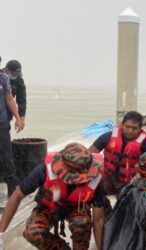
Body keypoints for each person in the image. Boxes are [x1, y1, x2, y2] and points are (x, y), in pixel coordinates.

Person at [0, 142, 106, 250]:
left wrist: (101, 248)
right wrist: (1, 233)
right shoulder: (45, 170)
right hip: (49, 207)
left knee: (81, 224)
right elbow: (18, 195)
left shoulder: (96, 179)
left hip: (78, 208)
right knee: (33, 232)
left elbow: (98, 219)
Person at [89, 111, 146, 198]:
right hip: (106, 180)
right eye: (127, 127)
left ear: (140, 129)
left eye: (134, 128)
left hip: (129, 184)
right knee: (97, 200)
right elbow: (88, 155)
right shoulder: (107, 137)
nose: (130, 131)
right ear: (122, 125)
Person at [0, 63, 24, 197]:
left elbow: (10, 98)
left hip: (2, 124)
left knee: (7, 157)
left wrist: (19, 118)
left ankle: (13, 193)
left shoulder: (4, 77)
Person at [5, 60, 26, 127]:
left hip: (6, 116)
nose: (15, 76)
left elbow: (21, 100)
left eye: (17, 74)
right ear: (6, 70)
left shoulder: (18, 81)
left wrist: (21, 118)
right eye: (13, 74)